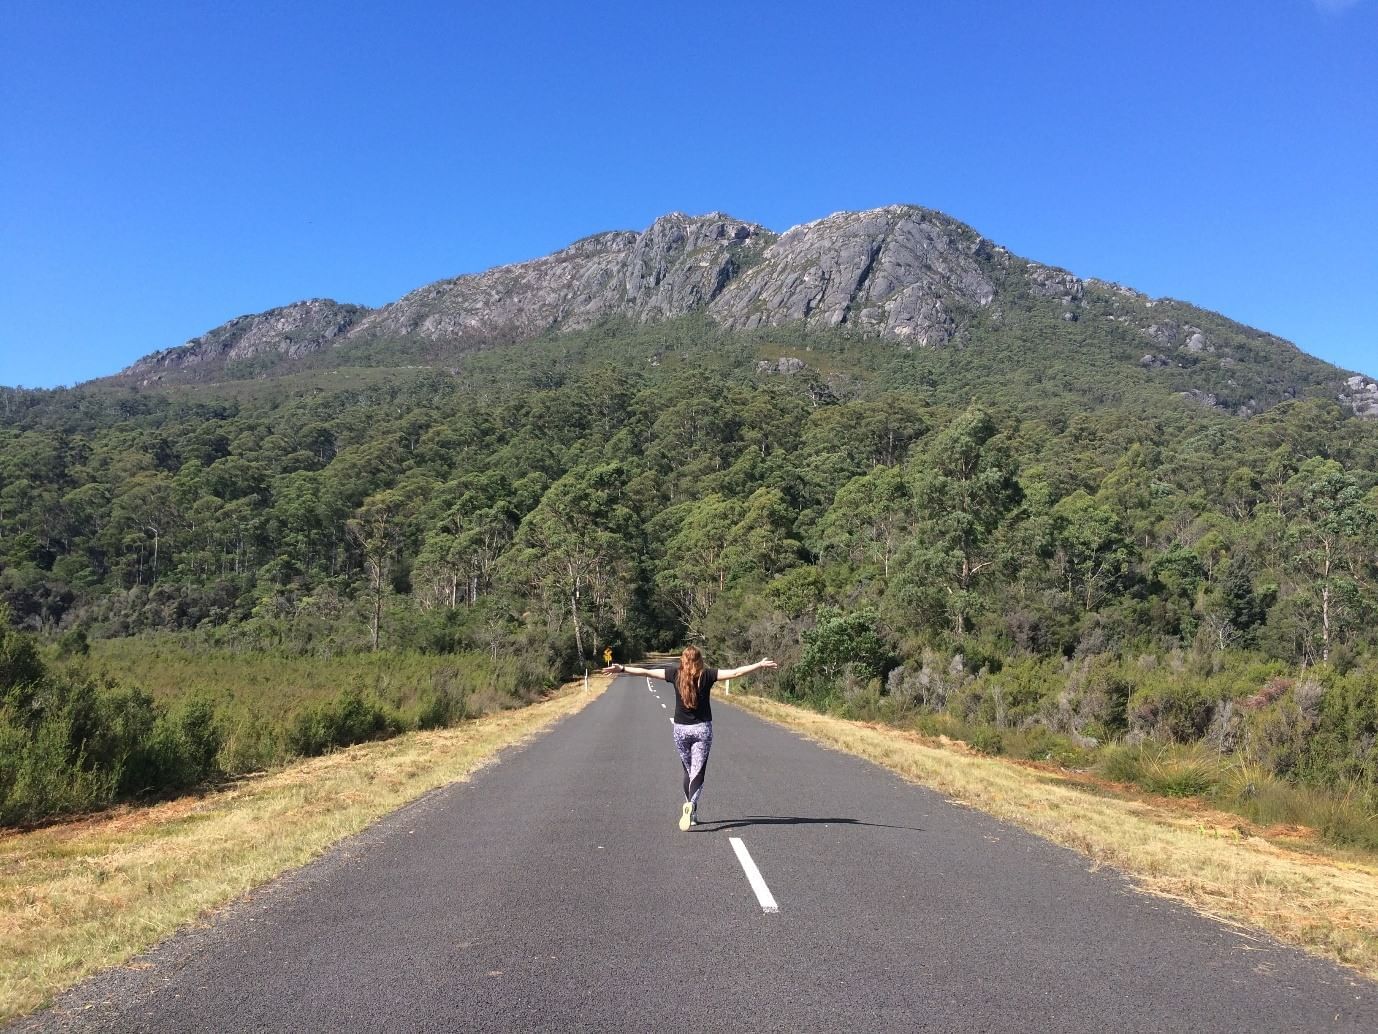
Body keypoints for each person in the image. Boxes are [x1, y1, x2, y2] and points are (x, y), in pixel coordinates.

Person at [602, 647, 778, 830]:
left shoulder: (674, 674)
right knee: (698, 772)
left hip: (680, 730)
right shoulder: (708, 675)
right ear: (700, 660)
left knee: (688, 770)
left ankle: (692, 812)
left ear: (683, 660)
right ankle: (691, 805)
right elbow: (736, 672)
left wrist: (622, 668)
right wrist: (759, 664)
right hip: (702, 730)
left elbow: (646, 672)